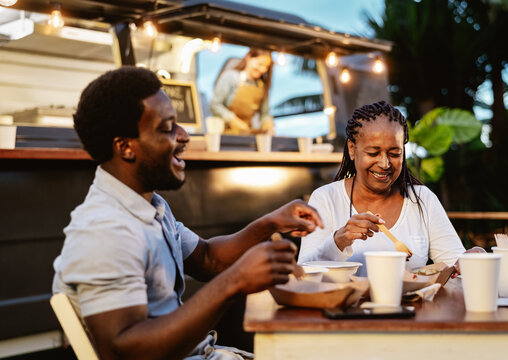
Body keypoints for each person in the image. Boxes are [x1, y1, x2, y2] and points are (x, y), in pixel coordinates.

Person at [52, 66, 323, 360]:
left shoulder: (148, 205)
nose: (184, 136)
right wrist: (234, 283)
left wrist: (268, 224)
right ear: (126, 147)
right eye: (167, 128)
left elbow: (208, 259)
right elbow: (122, 350)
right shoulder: (104, 229)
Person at [298, 100, 482, 276]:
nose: (385, 164)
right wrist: (338, 240)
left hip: (412, 308)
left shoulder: (422, 199)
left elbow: (454, 265)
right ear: (352, 149)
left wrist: (473, 258)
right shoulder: (325, 199)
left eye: (395, 153)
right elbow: (304, 273)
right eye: (373, 153)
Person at [209, 48, 274, 135]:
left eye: (266, 67)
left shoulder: (261, 86)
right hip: (225, 134)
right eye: (260, 64)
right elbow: (215, 105)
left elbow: (264, 114)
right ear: (248, 56)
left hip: (248, 135)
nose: (263, 69)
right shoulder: (230, 77)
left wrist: (268, 125)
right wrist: (233, 120)